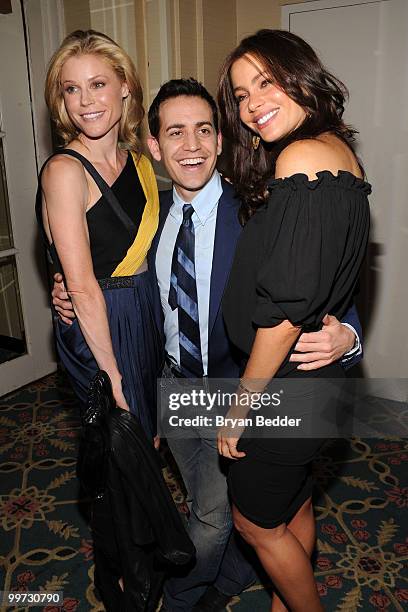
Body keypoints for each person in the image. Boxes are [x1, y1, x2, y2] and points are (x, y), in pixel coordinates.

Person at [52, 78, 363, 611]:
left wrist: (348, 332)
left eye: (203, 130)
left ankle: (184, 594)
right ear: (154, 146)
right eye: (175, 133)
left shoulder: (258, 208)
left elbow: (321, 273)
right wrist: (67, 289)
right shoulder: (150, 212)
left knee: (222, 514)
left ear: (221, 140)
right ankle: (236, 574)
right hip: (174, 381)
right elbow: (107, 268)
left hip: (240, 388)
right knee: (219, 503)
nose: (190, 146)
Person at [37, 30, 193, 611]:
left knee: (143, 448)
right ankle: (121, 582)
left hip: (143, 312)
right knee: (116, 455)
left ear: (125, 87)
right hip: (98, 327)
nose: (86, 100)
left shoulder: (142, 162)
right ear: (61, 100)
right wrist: (116, 379)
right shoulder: (64, 171)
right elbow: (80, 284)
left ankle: (141, 563)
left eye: (98, 83)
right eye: (71, 89)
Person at [217, 29, 370, 612]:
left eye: (266, 81)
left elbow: (284, 312)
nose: (253, 102)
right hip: (310, 385)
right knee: (290, 505)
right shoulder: (332, 152)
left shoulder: (303, 158)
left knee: (255, 524)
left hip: (285, 387)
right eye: (240, 93)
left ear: (301, 76)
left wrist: (240, 405)